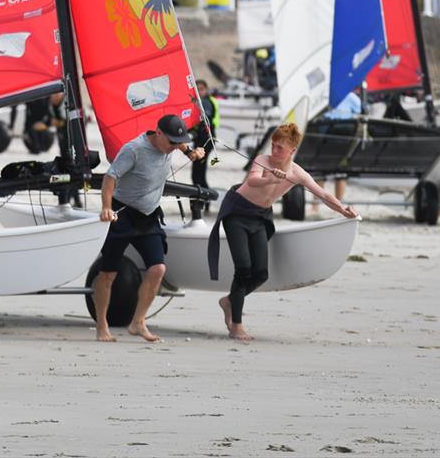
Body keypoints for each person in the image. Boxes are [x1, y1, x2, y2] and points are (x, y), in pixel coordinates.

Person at [208, 121, 357, 343]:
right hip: (237, 213)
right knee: (243, 268)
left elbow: (323, 194)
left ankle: (229, 301)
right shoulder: (262, 160)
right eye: (273, 145)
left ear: (292, 151)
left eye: (280, 148)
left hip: (259, 217)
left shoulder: (297, 173)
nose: (275, 150)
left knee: (261, 274)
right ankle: (236, 326)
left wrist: (343, 210)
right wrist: (271, 177)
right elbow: (253, 180)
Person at [94, 113, 205, 343]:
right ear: (158, 133)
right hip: (122, 214)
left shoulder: (172, 145)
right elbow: (109, 178)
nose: (175, 147)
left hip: (149, 216)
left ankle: (138, 322)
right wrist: (106, 207)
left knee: (158, 269)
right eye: (171, 142)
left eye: (178, 143)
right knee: (108, 273)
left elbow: (181, 142)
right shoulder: (133, 150)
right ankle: (102, 324)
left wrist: (190, 152)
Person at [191, 79, 219, 202]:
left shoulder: (206, 102)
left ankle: (207, 198)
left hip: (206, 141)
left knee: (198, 175)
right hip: (200, 141)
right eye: (197, 89)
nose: (199, 92)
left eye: (201, 89)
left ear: (206, 90)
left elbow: (205, 118)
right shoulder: (200, 102)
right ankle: (202, 199)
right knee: (197, 174)